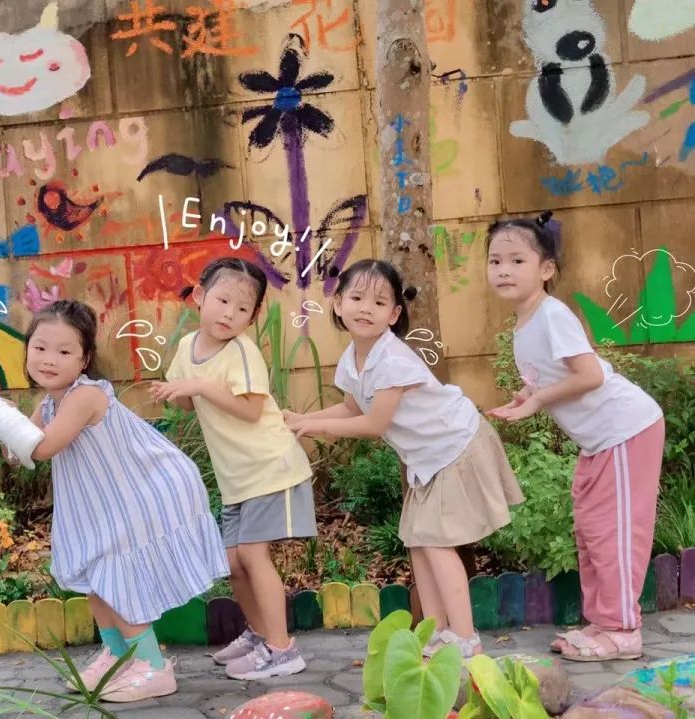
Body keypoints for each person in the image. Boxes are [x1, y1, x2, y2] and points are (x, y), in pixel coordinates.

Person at [0, 300, 227, 702]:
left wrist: (2, 414)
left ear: (85, 359)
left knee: (116, 576)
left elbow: (41, 448)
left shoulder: (85, 396)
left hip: (143, 493)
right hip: (104, 503)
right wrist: (1, 414)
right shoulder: (49, 402)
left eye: (64, 351)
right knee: (96, 578)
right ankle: (117, 653)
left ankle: (153, 666)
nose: (49, 359)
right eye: (40, 348)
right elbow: (16, 455)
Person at [286, 259, 524, 659]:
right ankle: (436, 632)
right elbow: (351, 408)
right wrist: (302, 420)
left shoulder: (392, 360)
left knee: (436, 542)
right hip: (428, 457)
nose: (366, 308)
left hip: (455, 445)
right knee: (418, 541)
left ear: (394, 315)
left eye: (379, 303)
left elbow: (373, 424)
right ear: (338, 303)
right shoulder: (352, 359)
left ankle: (465, 639)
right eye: (357, 298)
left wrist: (313, 427)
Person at [486, 212, 664, 662]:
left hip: (625, 429)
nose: (503, 270)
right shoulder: (525, 324)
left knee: (614, 532)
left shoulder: (551, 315)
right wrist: (525, 396)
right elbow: (552, 377)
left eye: (517, 261)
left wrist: (537, 401)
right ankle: (604, 623)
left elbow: (590, 376)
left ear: (546, 269)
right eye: (495, 261)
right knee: (592, 531)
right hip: (600, 441)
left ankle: (622, 631)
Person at [150, 257, 315, 680]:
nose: (229, 314)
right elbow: (187, 402)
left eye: (242, 309)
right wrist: (173, 392)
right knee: (233, 562)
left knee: (253, 555)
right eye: (222, 301)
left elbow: (250, 409)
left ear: (253, 317)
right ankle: (260, 634)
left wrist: (201, 386)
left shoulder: (242, 352)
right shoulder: (188, 347)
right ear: (199, 296)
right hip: (237, 479)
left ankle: (282, 649)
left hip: (271, 468)